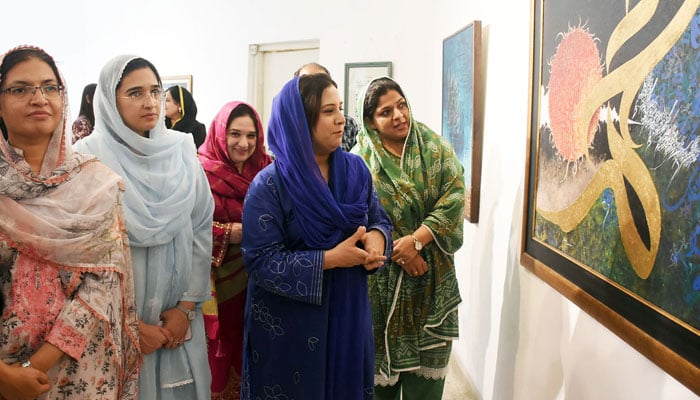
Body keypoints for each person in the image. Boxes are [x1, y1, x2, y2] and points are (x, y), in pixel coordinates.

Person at [240, 74, 393, 400]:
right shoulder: (269, 186)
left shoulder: (356, 171)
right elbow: (260, 261)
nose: (341, 119)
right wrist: (330, 259)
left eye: (339, 108)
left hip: (348, 313)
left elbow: (378, 219)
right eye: (328, 111)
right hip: (290, 325)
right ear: (299, 121)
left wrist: (378, 240)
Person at [0, 46, 140, 399]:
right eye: (20, 89)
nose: (39, 98)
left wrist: (37, 367)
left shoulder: (93, 184)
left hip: (78, 369)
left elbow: (101, 284)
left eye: (50, 87)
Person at [74, 54, 215, 399]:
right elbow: (80, 252)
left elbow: (200, 227)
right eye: (135, 93)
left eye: (155, 91)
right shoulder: (87, 159)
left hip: (176, 320)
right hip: (111, 325)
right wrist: (130, 326)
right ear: (109, 99)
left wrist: (185, 308)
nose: (150, 102)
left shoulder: (182, 152)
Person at [352, 77, 465, 400]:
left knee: (426, 383)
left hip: (432, 274)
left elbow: (455, 195)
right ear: (370, 121)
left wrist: (417, 240)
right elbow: (354, 217)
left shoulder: (435, 148)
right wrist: (398, 250)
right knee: (379, 381)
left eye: (401, 105)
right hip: (381, 281)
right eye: (386, 112)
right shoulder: (358, 161)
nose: (399, 115)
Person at [198, 101, 272, 399]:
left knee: (257, 351)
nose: (244, 144)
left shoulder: (269, 171)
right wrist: (230, 234)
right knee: (220, 355)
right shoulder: (199, 173)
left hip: (263, 284)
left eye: (251, 136)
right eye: (235, 134)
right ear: (219, 134)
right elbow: (186, 228)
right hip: (217, 285)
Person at [295, 62, 359, 151]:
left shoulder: (348, 125)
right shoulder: (286, 129)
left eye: (340, 108)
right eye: (307, 82)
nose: (316, 87)